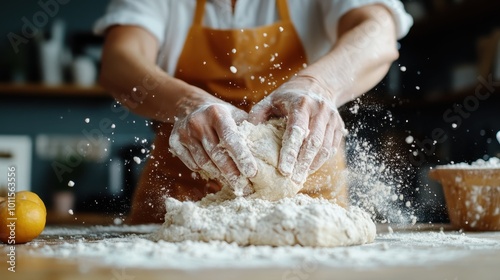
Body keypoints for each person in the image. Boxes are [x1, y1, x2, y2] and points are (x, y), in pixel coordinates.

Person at [94, 0, 413, 224]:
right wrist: (187, 104)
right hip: (184, 199)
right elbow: (119, 60)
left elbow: (378, 31)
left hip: (308, 200)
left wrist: (317, 86)